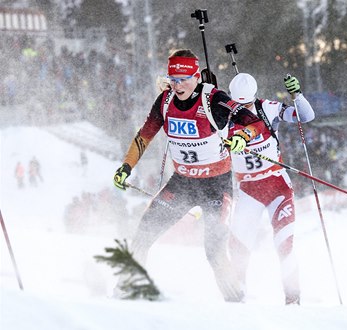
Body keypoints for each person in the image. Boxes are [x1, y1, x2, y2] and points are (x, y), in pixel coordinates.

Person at [112, 49, 265, 302]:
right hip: (182, 183)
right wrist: (126, 167)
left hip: (216, 186)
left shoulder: (214, 99)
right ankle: (126, 290)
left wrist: (242, 137)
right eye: (173, 78)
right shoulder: (164, 101)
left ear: (196, 76)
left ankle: (236, 301)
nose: (178, 84)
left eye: (184, 79)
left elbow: (255, 123)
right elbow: (144, 136)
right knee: (144, 231)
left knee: (213, 250)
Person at [227, 73, 315, 305]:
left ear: (253, 97)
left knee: (284, 244)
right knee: (237, 245)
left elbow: (306, 116)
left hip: (276, 185)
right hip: (248, 190)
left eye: (246, 104)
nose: (242, 109)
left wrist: (297, 94)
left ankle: (293, 300)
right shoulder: (223, 115)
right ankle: (237, 297)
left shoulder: (269, 108)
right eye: (238, 104)